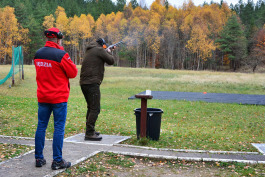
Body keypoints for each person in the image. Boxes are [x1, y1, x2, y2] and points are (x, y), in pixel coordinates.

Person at [34, 27, 78, 170]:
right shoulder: (61, 54)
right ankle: (57, 161)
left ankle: (39, 158)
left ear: (48, 38)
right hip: (58, 98)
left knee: (41, 126)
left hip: (43, 96)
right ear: (58, 39)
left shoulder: (38, 54)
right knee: (58, 128)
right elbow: (73, 72)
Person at [80, 38, 114, 141]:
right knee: (95, 108)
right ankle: (89, 133)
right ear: (102, 45)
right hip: (92, 83)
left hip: (84, 83)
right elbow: (111, 61)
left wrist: (106, 51)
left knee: (91, 107)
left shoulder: (90, 49)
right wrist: (109, 52)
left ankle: (90, 130)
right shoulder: (99, 50)